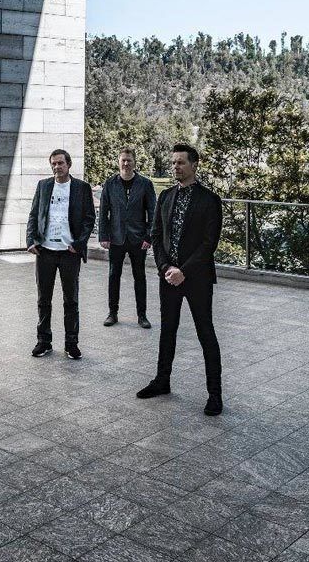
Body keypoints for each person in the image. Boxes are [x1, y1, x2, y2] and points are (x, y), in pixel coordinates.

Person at [136, 144, 224, 415]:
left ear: (194, 165)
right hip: (168, 277)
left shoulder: (210, 200)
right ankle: (162, 381)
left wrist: (183, 270)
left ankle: (215, 395)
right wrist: (165, 267)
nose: (175, 166)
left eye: (181, 162)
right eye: (173, 162)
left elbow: (209, 244)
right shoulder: (165, 196)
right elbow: (157, 235)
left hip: (197, 279)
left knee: (205, 333)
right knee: (167, 330)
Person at [26, 149, 96, 360]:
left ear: (69, 164)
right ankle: (43, 341)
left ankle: (71, 343)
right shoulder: (43, 185)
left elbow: (89, 218)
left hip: (69, 253)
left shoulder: (81, 188)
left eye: (60, 163)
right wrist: (30, 240)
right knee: (43, 299)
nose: (57, 167)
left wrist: (79, 244)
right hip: (45, 251)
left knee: (71, 300)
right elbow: (34, 214)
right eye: (54, 163)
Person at [99, 147, 157, 329]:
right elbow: (104, 212)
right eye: (123, 160)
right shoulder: (110, 184)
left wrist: (149, 237)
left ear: (134, 162)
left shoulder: (145, 184)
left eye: (129, 160)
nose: (126, 163)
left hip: (138, 239)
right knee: (113, 276)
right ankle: (112, 313)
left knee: (140, 277)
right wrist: (103, 235)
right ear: (119, 162)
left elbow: (153, 213)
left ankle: (142, 316)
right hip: (116, 238)